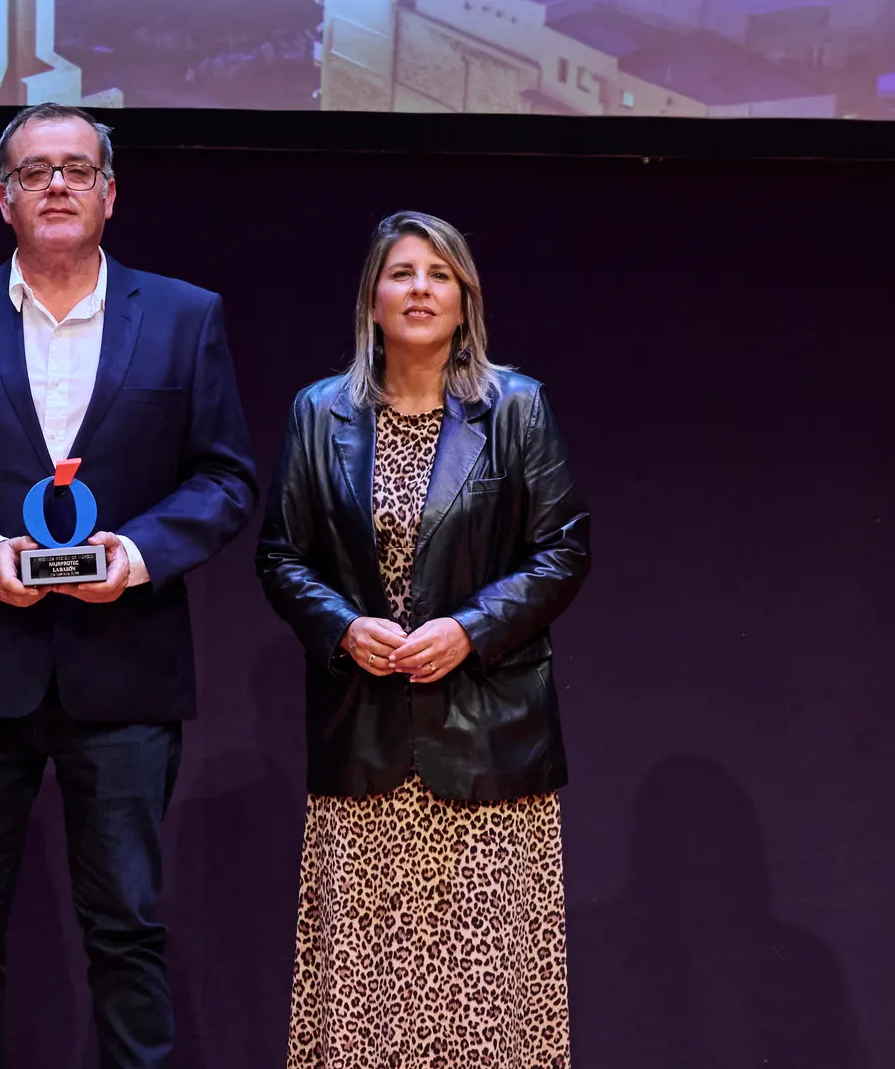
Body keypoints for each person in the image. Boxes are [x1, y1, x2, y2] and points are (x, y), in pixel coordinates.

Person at [0, 103, 257, 1069]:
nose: (58, 187)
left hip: (125, 668)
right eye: (36, 173)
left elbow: (226, 477)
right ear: (5, 199)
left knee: (127, 925)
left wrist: (141, 553)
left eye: (78, 170)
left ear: (111, 193)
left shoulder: (183, 314)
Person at [255, 210, 591, 1068]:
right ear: (372, 298)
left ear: (465, 299)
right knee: (365, 997)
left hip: (488, 746)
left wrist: (469, 629)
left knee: (486, 1001)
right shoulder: (317, 413)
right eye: (402, 273)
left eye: (440, 275)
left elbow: (564, 550)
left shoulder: (516, 407)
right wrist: (341, 624)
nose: (420, 289)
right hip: (363, 735)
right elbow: (280, 555)